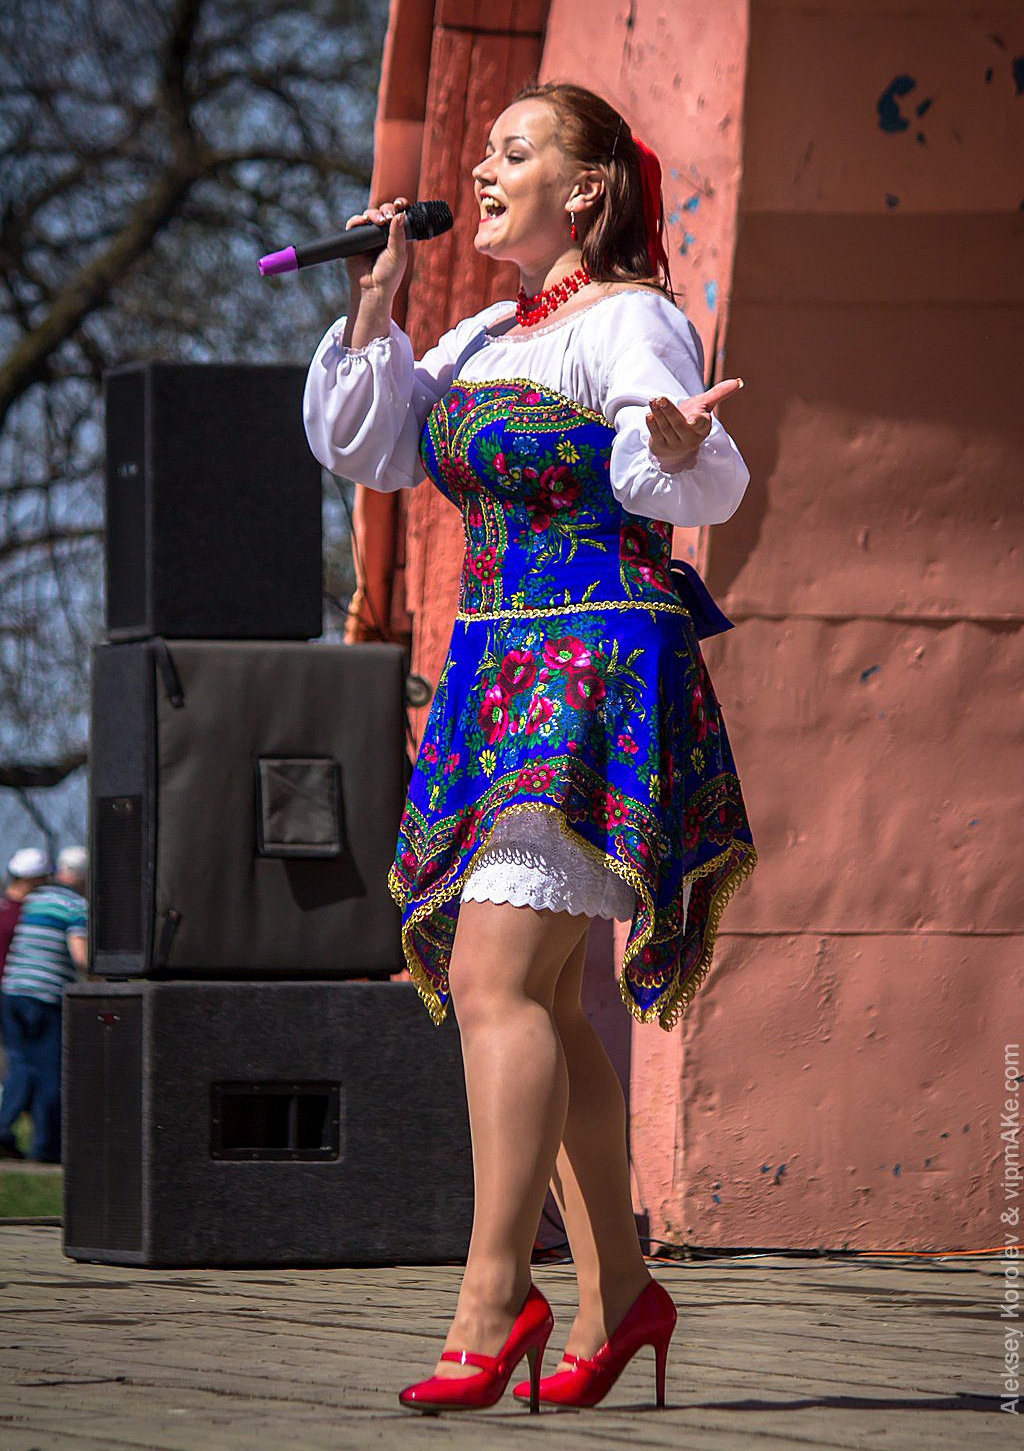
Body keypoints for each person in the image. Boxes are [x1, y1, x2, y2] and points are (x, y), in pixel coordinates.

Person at [303, 81, 758, 1414]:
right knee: (544, 1005)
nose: (482, 171)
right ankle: (623, 1295)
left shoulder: (630, 319)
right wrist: (375, 304)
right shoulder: (483, 334)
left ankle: (494, 1293)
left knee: (495, 976)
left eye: (515, 150)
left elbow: (687, 474)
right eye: (484, 152)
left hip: (594, 661)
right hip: (495, 669)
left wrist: (678, 446)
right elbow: (370, 446)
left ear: (586, 188)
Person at [0, 845, 88, 1163]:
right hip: (45, 996)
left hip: (13, 991)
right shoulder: (76, 906)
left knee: (22, 1065)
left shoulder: (34, 902)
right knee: (51, 1070)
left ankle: (5, 1132)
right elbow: (80, 956)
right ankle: (47, 1146)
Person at [0, 847, 50, 986]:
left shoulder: (5, 910)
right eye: (43, 878)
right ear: (30, 880)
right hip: (15, 988)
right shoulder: (28, 914)